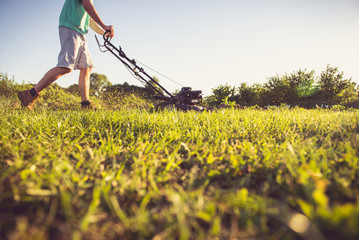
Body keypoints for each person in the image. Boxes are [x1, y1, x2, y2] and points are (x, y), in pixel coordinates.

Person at [18, 0, 114, 110]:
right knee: (66, 67)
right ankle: (30, 94)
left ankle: (86, 104)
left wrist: (104, 32)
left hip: (80, 32)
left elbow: (90, 20)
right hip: (70, 28)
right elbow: (87, 5)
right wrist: (104, 25)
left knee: (86, 67)